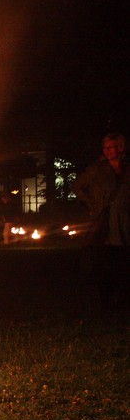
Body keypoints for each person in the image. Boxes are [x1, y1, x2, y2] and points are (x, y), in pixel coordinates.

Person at [71, 133, 129, 317]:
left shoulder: (127, 167)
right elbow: (77, 186)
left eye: (112, 147)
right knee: (105, 260)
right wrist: (92, 204)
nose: (109, 151)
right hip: (105, 220)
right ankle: (106, 301)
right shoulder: (97, 168)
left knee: (123, 261)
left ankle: (121, 300)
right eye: (106, 148)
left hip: (125, 219)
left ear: (120, 147)